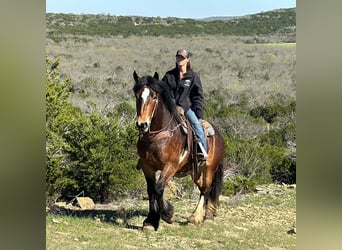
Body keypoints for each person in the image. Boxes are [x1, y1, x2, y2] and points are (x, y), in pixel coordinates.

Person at [162, 49, 208, 160]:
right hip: (170, 106)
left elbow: (198, 96)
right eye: (178, 57)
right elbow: (162, 90)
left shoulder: (193, 77)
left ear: (187, 59)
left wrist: (200, 115)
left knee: (197, 126)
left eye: (182, 58)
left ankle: (202, 152)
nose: (179, 59)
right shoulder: (169, 75)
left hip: (186, 107)